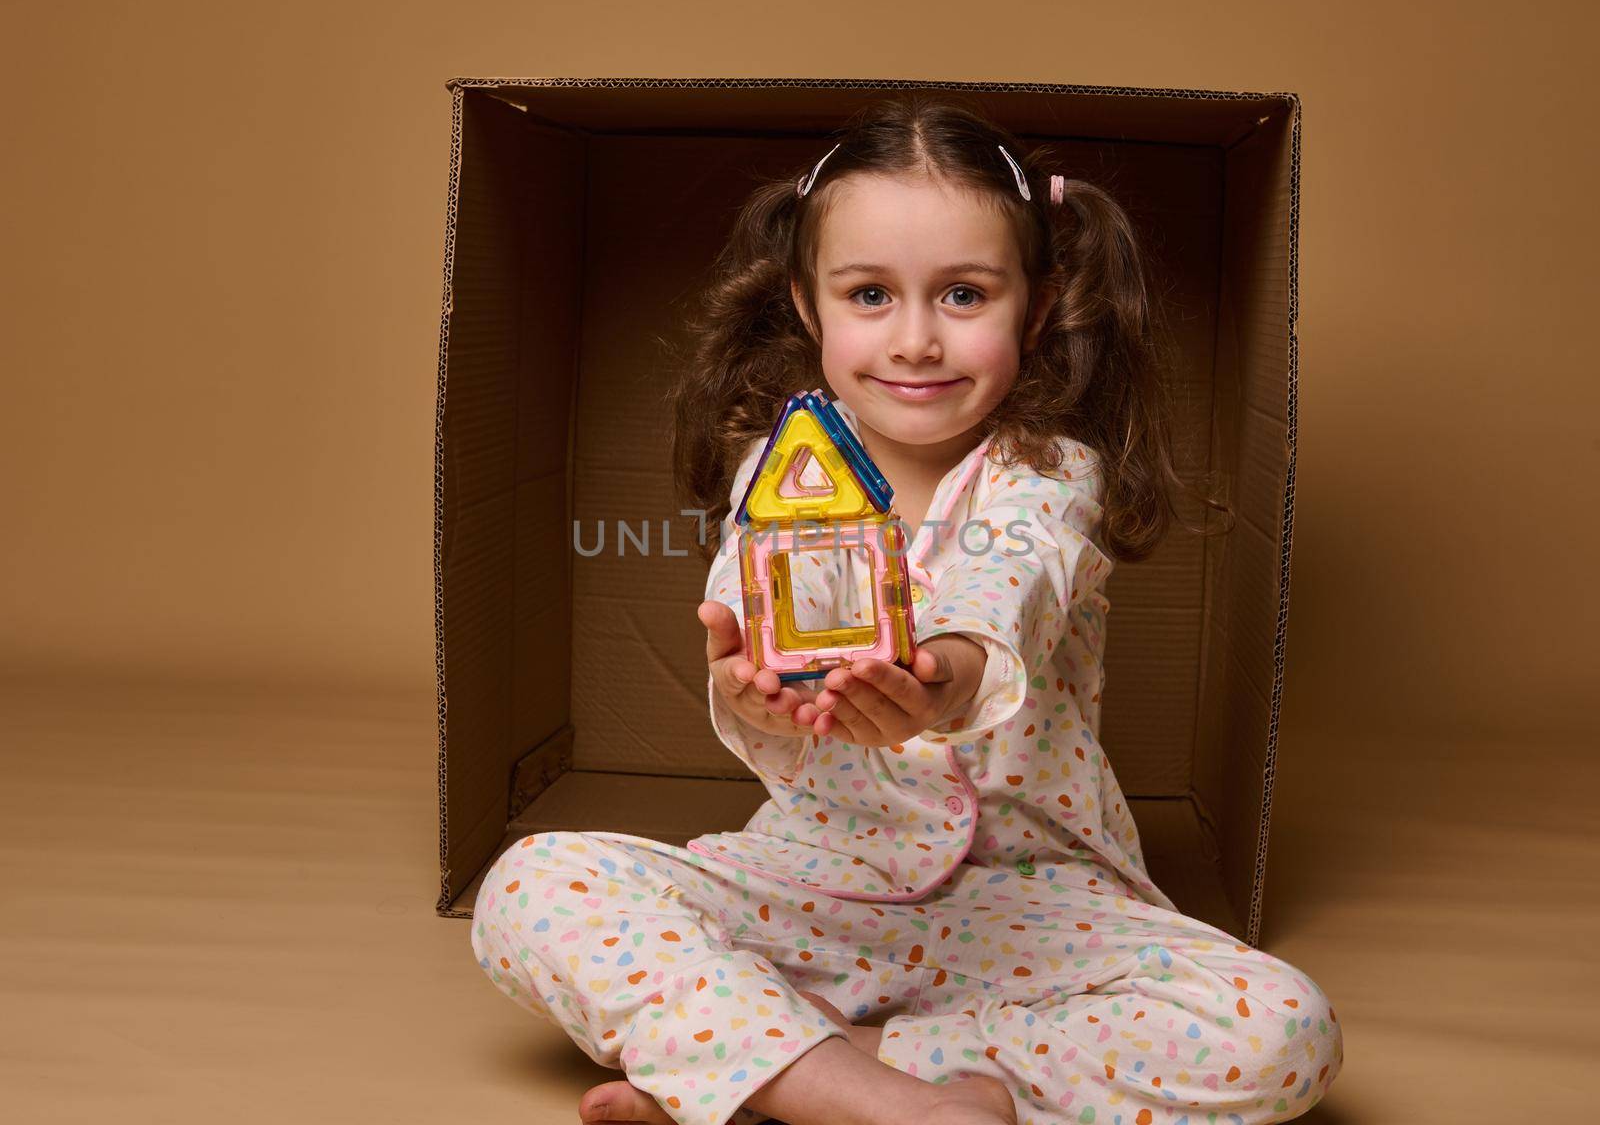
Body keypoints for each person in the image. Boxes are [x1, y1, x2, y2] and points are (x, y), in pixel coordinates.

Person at [470, 94, 1343, 1125]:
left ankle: (810, 1069)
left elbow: (1006, 590)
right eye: (871, 294)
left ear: (1036, 301)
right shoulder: (780, 464)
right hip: (819, 886)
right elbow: (744, 617)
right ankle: (904, 1099)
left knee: (1283, 1028)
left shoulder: (1049, 472)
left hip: (1033, 905)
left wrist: (947, 675)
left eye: (964, 294)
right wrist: (751, 698)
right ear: (807, 303)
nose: (917, 339)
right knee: (534, 885)